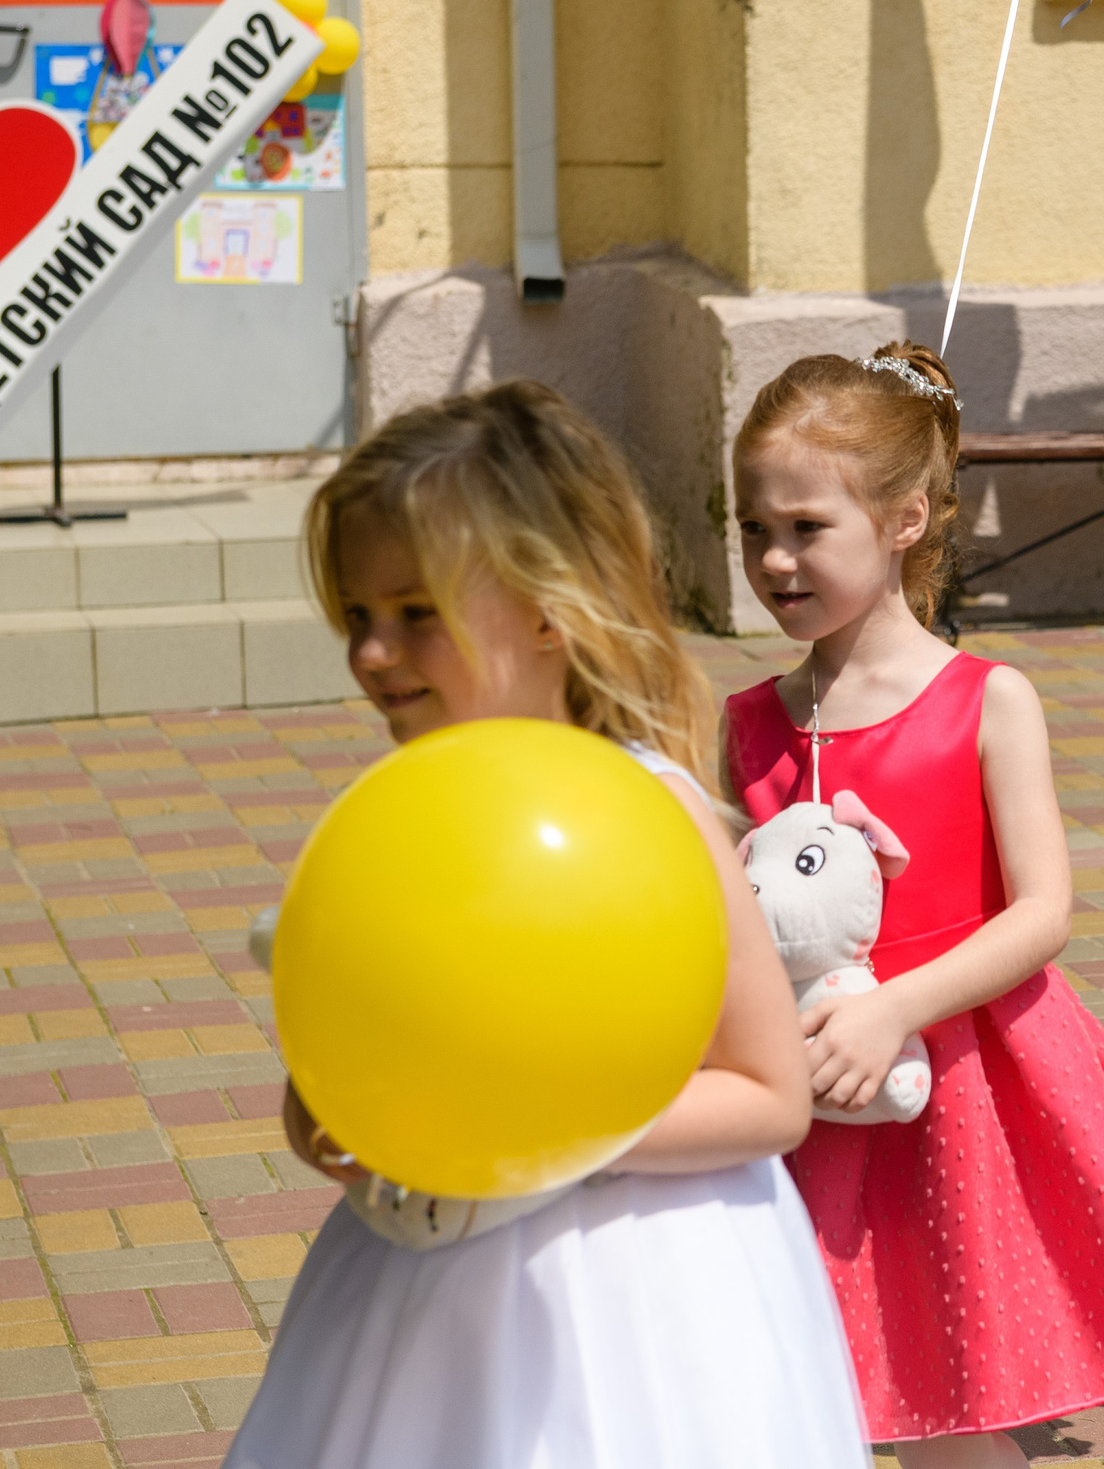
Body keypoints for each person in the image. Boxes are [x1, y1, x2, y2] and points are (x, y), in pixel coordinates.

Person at [225, 382, 870, 1469]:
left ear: (546, 606)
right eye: (358, 619)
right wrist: (333, 1106)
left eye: (415, 612)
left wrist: (519, 1122)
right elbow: (389, 1032)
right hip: (426, 1283)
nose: (373, 653)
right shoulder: (407, 815)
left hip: (631, 1284)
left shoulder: (651, 812)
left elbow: (769, 1094)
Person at [727, 342, 1104, 1467]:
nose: (774, 560)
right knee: (816, 1386)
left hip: (968, 1085)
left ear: (905, 520)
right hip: (808, 1090)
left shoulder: (986, 700)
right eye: (753, 529)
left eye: (806, 527)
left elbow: (1041, 912)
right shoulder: (747, 722)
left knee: (951, 1401)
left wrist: (894, 1008)